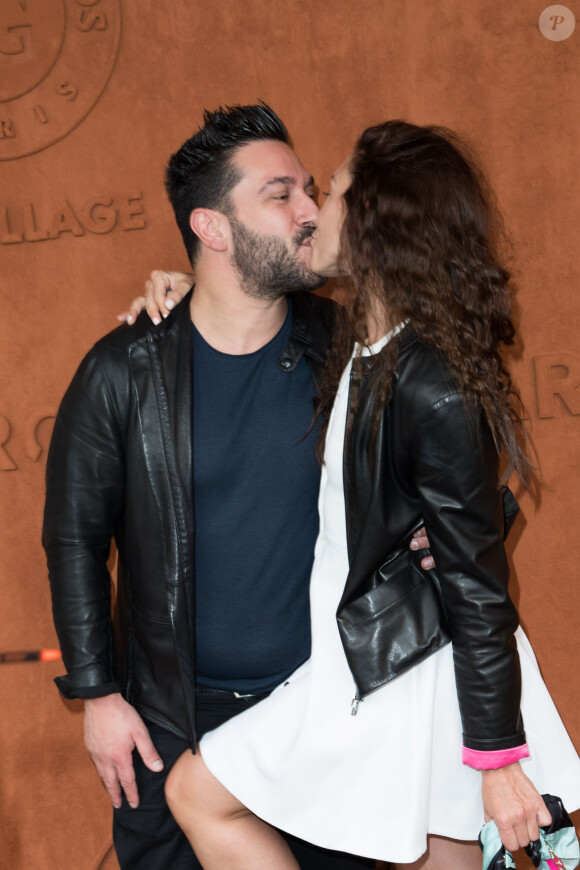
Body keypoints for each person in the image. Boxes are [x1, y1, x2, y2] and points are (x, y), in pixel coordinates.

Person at [142, 121, 580, 869]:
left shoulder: (429, 379)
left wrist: (500, 758)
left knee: (197, 791)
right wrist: (197, 296)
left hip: (419, 673)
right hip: (381, 661)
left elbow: (476, 587)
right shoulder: (367, 345)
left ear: (372, 220)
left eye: (331, 192)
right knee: (202, 793)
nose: (314, 209)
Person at [43, 103, 442, 870]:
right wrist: (99, 697)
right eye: (280, 194)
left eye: (311, 188)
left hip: (328, 713)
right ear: (213, 228)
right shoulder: (122, 370)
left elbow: (442, 464)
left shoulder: (350, 345)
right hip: (172, 724)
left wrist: (429, 529)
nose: (311, 211)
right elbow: (74, 540)